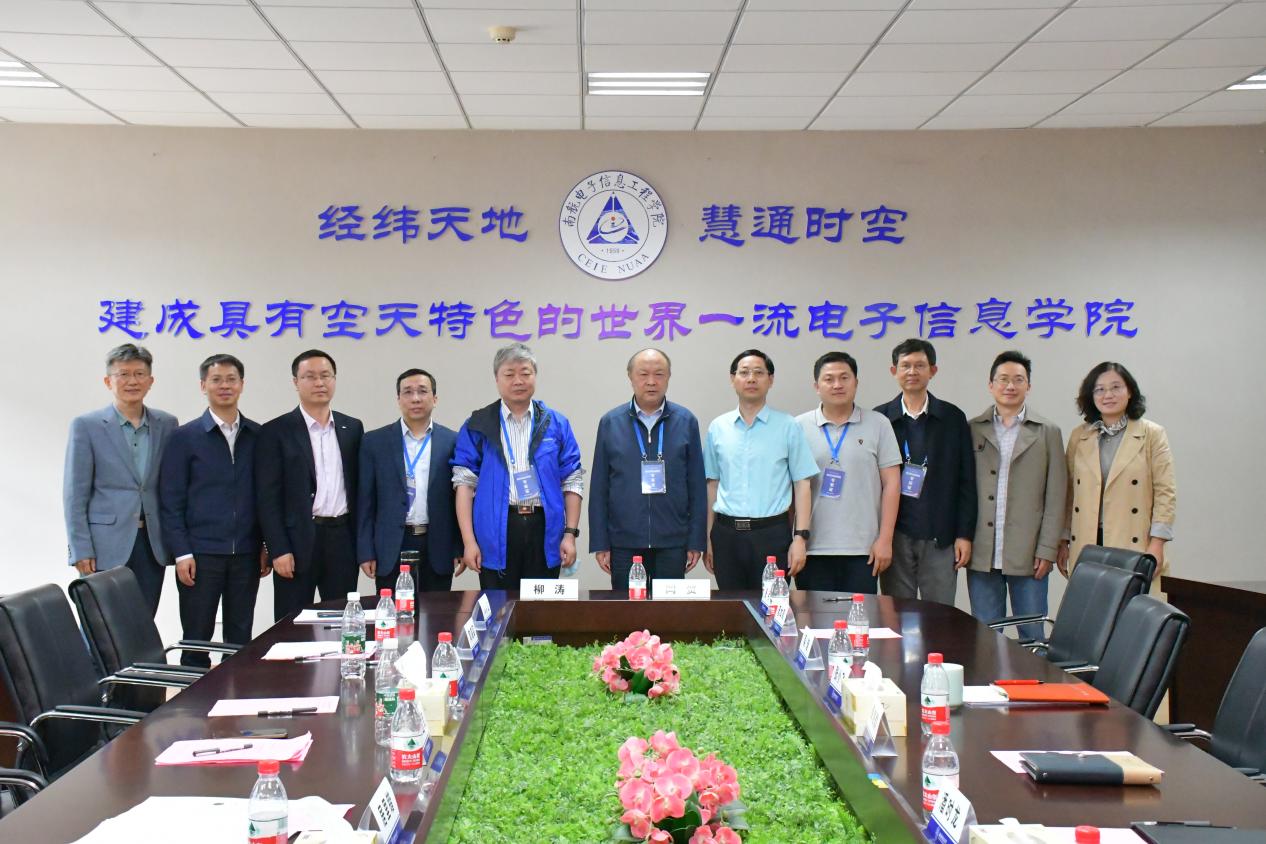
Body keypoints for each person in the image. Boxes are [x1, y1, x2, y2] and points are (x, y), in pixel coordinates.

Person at [159, 354, 267, 666]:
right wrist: (182, 553)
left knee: (240, 638)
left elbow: (265, 497)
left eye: (231, 379)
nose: (224, 386)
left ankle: (236, 694)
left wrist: (264, 545)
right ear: (203, 385)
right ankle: (195, 696)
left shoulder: (258, 436)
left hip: (246, 553)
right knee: (196, 637)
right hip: (199, 555)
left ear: (242, 385)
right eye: (216, 380)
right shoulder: (184, 438)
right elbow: (171, 501)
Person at [451, 343, 584, 592]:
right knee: (499, 608)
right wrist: (469, 542)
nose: (518, 381)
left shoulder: (556, 423)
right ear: (497, 379)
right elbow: (464, 485)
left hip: (544, 529)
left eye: (525, 373)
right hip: (495, 530)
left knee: (541, 608)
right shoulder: (478, 425)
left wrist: (569, 535)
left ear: (535, 376)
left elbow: (572, 479)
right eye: (509, 374)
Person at [63, 344, 177, 616]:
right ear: (108, 381)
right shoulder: (86, 426)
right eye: (123, 374)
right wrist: (80, 549)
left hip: (152, 544)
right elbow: (74, 494)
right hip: (104, 546)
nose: (132, 381)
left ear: (150, 381)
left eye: (139, 374)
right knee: (101, 623)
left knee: (143, 621)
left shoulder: (167, 424)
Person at [256, 349, 363, 620]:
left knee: (341, 619)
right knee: (291, 621)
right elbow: (267, 498)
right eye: (310, 376)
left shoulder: (352, 428)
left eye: (326, 375)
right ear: (296, 382)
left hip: (342, 539)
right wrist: (278, 548)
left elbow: (359, 490)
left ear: (334, 379)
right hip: (296, 540)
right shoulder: (276, 431)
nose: (319, 383)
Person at [966, 351, 1066, 640]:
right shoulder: (973, 429)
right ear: (991, 385)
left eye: (1018, 380)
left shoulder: (1048, 432)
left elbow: (1056, 495)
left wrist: (1047, 549)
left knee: (1032, 633)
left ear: (1028, 386)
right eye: (1003, 379)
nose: (1010, 386)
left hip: (1029, 552)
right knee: (985, 634)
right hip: (983, 550)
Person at [589, 348, 707, 592]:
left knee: (669, 610)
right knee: (628, 610)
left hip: (672, 541)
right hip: (624, 542)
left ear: (669, 377)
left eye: (659, 374)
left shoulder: (686, 421)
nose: (651, 382)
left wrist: (696, 540)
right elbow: (599, 487)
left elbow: (697, 486)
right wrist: (600, 542)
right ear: (630, 377)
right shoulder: (611, 422)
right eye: (643, 374)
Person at [704, 349, 818, 590]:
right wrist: (708, 537)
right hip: (726, 535)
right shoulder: (718, 427)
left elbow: (802, 484)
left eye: (758, 372)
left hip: (772, 534)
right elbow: (712, 485)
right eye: (744, 372)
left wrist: (800, 538)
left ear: (770, 379)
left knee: (772, 607)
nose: (751, 379)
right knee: (731, 606)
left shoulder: (788, 426)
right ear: (733, 379)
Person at [874, 338, 975, 605]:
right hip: (895, 535)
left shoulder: (952, 417)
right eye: (905, 365)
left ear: (933, 370)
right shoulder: (880, 419)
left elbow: (966, 481)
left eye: (920, 365)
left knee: (940, 614)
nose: (912, 372)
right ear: (893, 371)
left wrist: (964, 534)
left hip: (940, 534)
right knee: (897, 613)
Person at [1058, 362, 1175, 582]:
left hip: (1133, 538)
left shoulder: (1152, 434)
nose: (1108, 395)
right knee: (1091, 600)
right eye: (1099, 389)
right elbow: (1069, 493)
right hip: (1088, 539)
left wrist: (1157, 543)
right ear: (1091, 396)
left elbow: (1165, 493)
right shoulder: (1079, 436)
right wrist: (1063, 540)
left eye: (1115, 387)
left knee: (1130, 600)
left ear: (1129, 391)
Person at [795, 351, 900, 594]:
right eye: (829, 379)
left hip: (864, 550)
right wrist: (796, 540)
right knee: (814, 617)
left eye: (844, 378)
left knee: (860, 617)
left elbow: (892, 484)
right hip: (812, 549)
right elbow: (791, 488)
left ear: (856, 382)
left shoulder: (878, 424)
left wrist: (885, 539)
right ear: (816, 386)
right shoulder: (798, 427)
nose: (837, 385)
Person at [358, 368, 462, 595]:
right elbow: (365, 501)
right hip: (391, 546)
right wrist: (366, 550)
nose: (415, 398)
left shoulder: (453, 441)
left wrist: (458, 547)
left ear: (435, 398)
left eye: (422, 391)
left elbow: (458, 499)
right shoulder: (374, 442)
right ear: (398, 399)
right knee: (392, 611)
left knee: (436, 612)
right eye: (407, 392)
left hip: (437, 544)